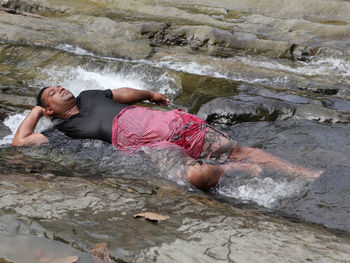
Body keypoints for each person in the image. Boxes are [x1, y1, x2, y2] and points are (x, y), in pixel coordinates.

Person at [12, 86, 321, 190]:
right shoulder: (66, 131)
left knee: (241, 150)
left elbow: (118, 93)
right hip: (152, 146)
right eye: (51, 93)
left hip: (175, 123)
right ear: (50, 109)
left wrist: (149, 93)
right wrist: (36, 112)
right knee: (195, 176)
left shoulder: (89, 95)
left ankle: (306, 173)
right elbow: (20, 143)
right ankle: (233, 171)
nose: (60, 90)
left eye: (59, 86)